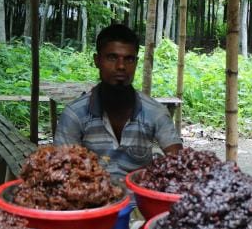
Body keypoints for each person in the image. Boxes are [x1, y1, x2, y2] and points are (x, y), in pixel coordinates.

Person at [54, 24, 182, 180]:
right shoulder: (75, 114)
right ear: (97, 61)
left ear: (136, 62)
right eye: (112, 57)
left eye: (129, 59)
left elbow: (179, 163)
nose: (121, 66)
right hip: (92, 201)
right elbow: (62, 171)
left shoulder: (155, 112)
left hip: (140, 202)